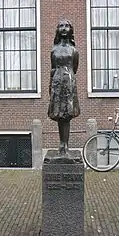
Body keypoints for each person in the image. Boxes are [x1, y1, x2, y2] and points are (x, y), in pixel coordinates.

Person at [48, 20, 80, 155]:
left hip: (68, 84)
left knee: (67, 115)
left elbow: (75, 68)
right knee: (59, 115)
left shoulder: (74, 51)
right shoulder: (54, 50)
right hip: (57, 83)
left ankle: (65, 145)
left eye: (67, 26)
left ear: (71, 30)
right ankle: (61, 143)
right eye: (61, 26)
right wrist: (50, 85)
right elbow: (53, 68)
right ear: (58, 30)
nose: (64, 28)